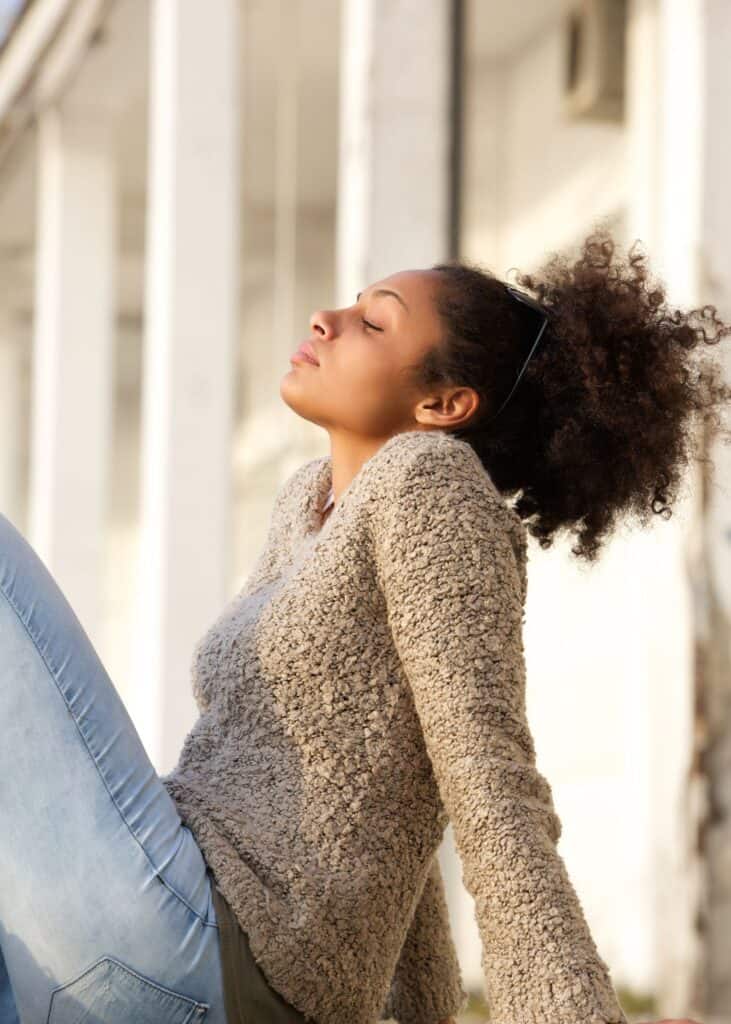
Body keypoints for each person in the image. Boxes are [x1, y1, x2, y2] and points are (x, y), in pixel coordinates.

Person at [1, 223, 727, 1024]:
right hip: (161, 955)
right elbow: (396, 798)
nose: (326, 319)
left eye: (373, 322)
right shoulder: (307, 505)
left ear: (443, 405)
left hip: (194, 938)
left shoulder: (430, 481)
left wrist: (564, 1011)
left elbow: (483, 773)